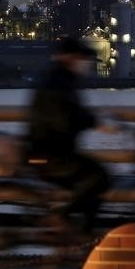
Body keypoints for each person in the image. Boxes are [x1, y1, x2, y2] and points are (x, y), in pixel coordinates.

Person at [25, 36, 111, 233]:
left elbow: (71, 112)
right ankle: (64, 220)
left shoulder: (60, 78)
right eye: (83, 59)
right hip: (49, 154)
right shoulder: (58, 82)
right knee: (98, 177)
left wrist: (94, 120)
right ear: (71, 57)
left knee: (94, 176)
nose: (86, 65)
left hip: (50, 151)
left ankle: (79, 231)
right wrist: (94, 123)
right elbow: (64, 119)